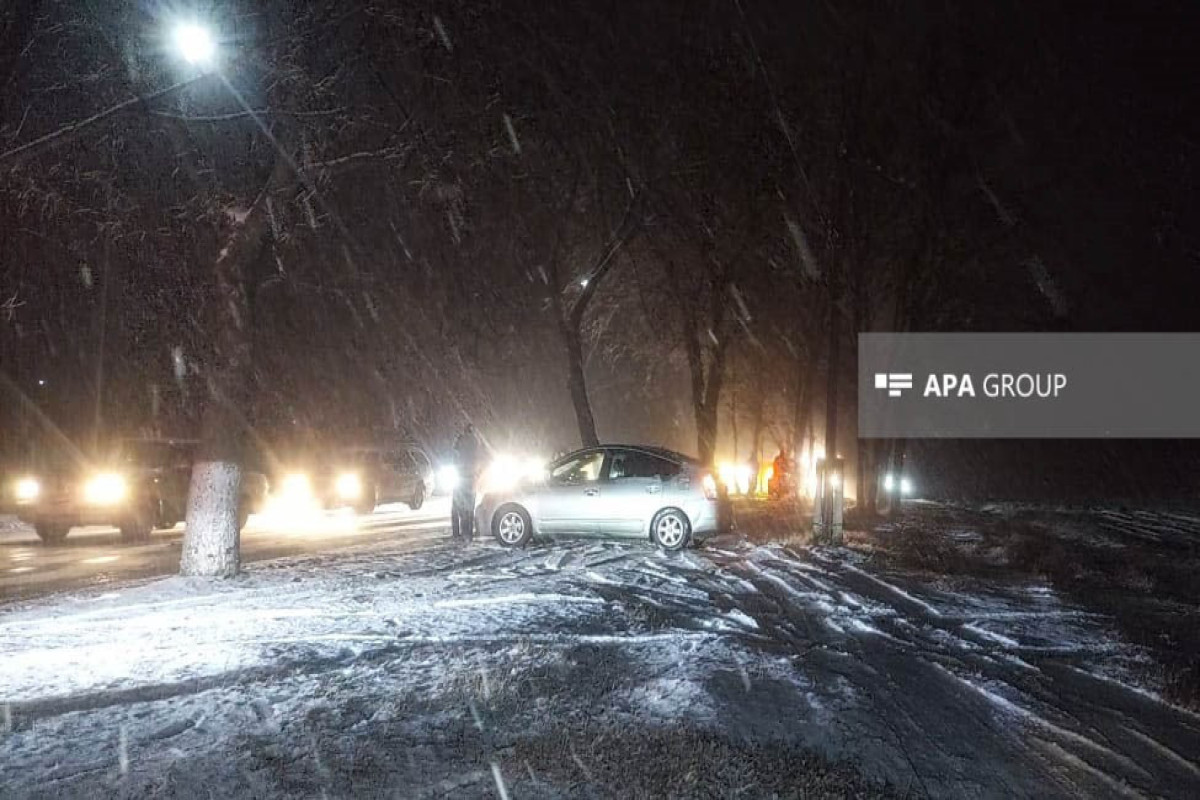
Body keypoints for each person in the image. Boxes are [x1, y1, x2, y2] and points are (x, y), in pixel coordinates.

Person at [451, 424, 480, 541]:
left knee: (456, 506)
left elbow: (454, 452)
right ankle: (468, 531)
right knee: (470, 506)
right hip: (471, 477)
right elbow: (479, 456)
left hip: (461, 476)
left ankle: (457, 532)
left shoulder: (461, 440)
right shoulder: (476, 441)